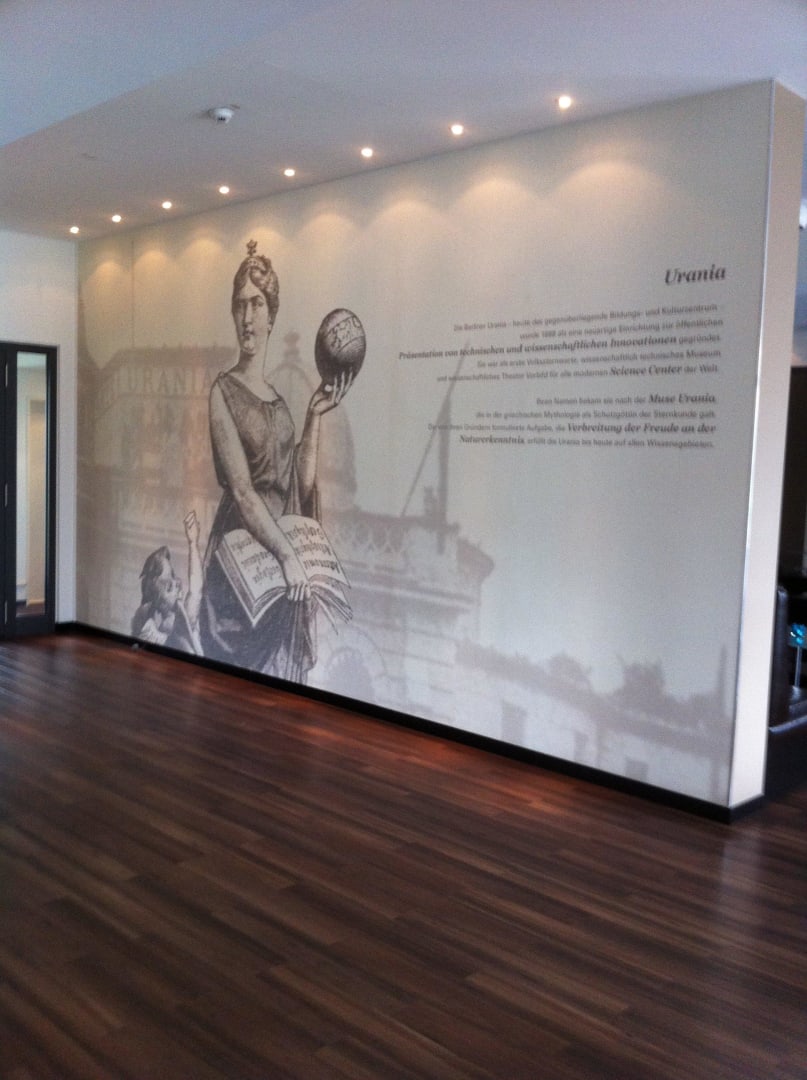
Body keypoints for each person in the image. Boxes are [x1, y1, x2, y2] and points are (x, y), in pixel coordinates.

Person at [199, 240, 352, 680]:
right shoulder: (222, 392)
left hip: (281, 560)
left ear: (271, 315)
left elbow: (298, 488)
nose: (247, 317)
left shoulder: (281, 404)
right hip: (243, 561)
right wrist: (287, 556)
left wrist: (314, 417)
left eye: (257, 304)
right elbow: (244, 492)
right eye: (240, 305)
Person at [131, 510, 203, 653]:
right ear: (157, 603)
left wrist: (193, 543)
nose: (178, 583)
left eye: (174, 576)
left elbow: (196, 590)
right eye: (170, 586)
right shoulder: (148, 630)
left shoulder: (180, 614)